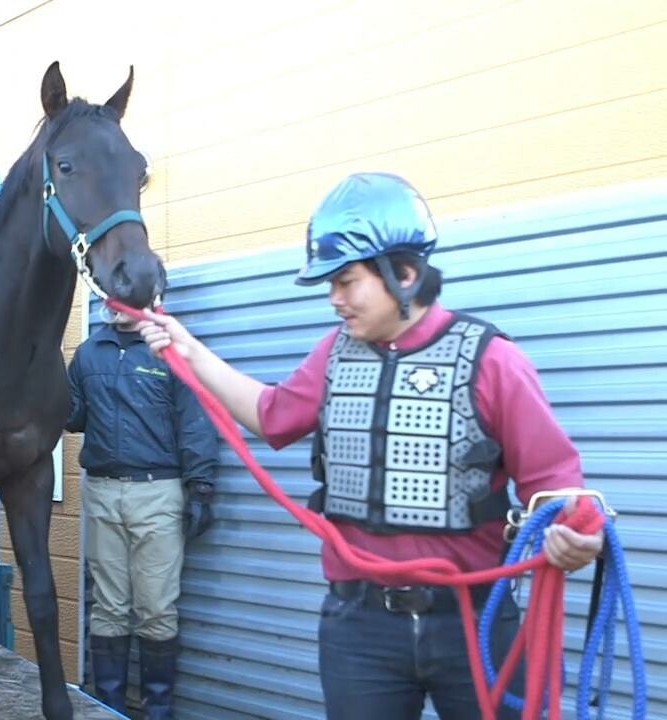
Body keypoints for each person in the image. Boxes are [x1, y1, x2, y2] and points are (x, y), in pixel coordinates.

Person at [134, 172, 605, 720]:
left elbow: (556, 488)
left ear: (403, 273)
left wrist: (574, 538)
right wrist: (187, 348)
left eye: (345, 281)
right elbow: (271, 415)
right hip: (360, 630)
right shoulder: (334, 354)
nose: (334, 299)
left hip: (473, 624)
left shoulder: (493, 360)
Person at [66, 303, 220, 719]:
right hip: (101, 491)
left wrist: (201, 486)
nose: (115, 301)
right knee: (108, 606)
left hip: (158, 493)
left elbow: (195, 421)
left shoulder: (168, 350)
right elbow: (73, 417)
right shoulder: (88, 352)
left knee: (156, 608)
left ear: (151, 295)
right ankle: (108, 708)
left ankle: (158, 712)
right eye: (109, 291)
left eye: (126, 291)